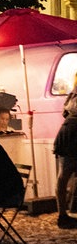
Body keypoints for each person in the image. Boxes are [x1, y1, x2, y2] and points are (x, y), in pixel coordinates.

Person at [53, 86, 77, 229]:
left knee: (63, 175)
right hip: (73, 133)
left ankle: (62, 213)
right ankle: (63, 215)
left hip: (68, 129)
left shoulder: (74, 90)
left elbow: (64, 112)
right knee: (64, 175)